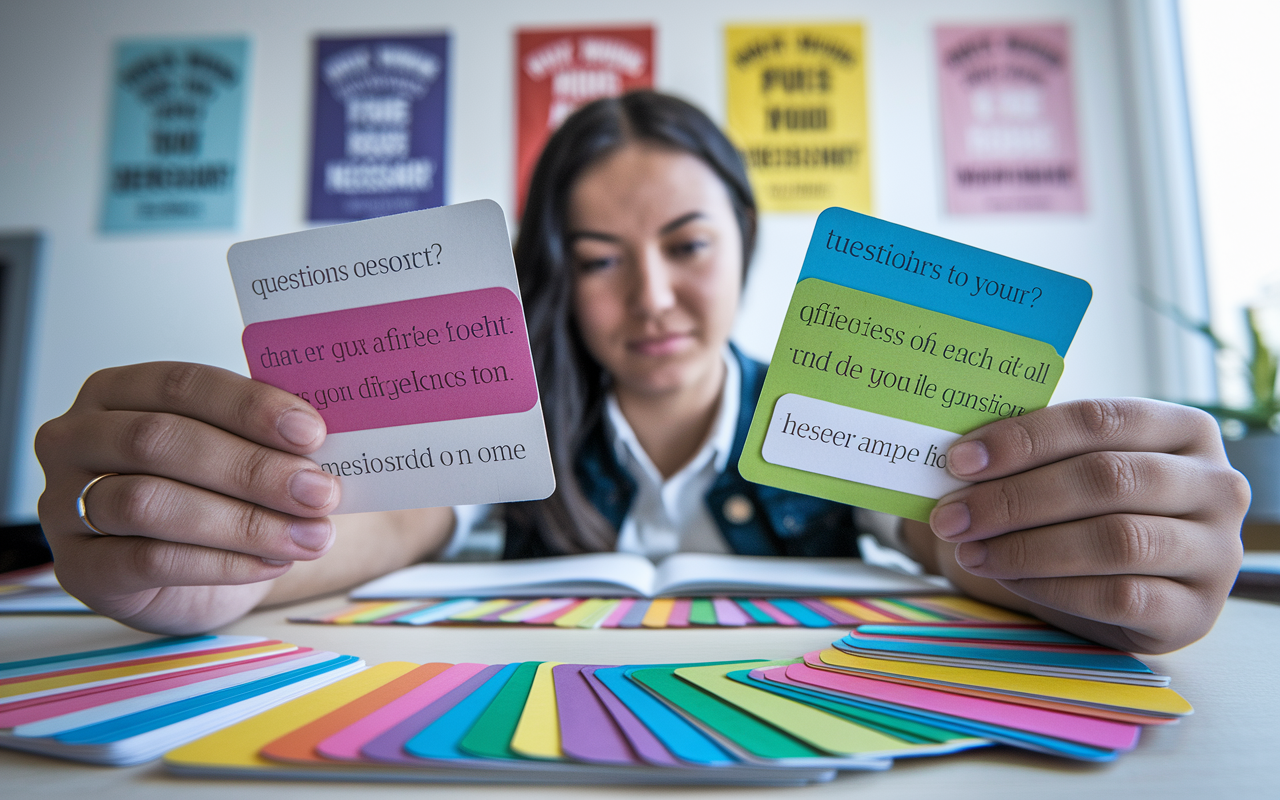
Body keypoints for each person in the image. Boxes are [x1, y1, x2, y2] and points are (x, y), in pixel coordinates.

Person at [34, 92, 1248, 652]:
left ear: (747, 248)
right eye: (600, 260)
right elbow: (395, 517)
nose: (653, 298)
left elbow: (933, 520)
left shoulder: (830, 410)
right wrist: (239, 560)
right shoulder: (507, 419)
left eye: (687, 246)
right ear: (552, 273)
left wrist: (1073, 556)